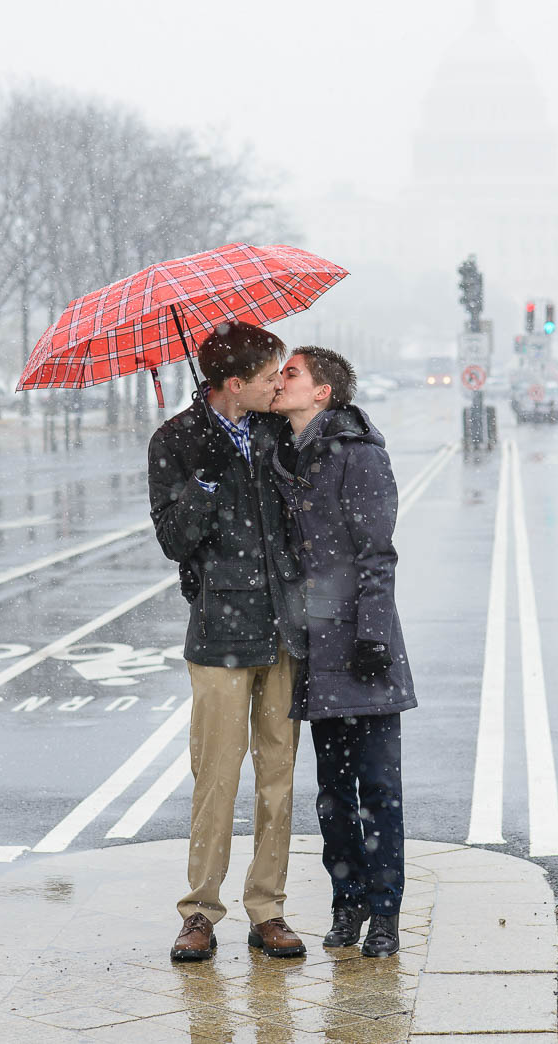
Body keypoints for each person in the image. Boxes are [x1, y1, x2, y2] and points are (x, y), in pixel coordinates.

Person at [148, 321, 307, 963]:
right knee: (215, 776)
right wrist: (207, 484)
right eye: (271, 376)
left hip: (283, 628)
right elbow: (175, 541)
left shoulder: (278, 430)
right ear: (235, 385)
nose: (280, 384)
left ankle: (267, 907)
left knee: (279, 774)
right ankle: (200, 911)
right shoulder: (176, 442)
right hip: (219, 632)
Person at [271, 346, 416, 957]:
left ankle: (384, 915)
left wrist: (373, 636)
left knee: (378, 791)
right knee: (332, 795)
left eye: (291, 374)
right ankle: (346, 904)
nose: (279, 382)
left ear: (323, 391)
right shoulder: (280, 452)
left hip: (363, 647)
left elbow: (377, 553)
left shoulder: (359, 455)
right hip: (315, 648)